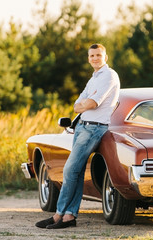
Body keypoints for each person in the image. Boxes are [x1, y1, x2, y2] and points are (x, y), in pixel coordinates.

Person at [35, 43, 120, 229]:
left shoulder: (109, 75)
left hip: (94, 128)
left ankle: (59, 215)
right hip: (81, 127)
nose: (95, 58)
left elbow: (92, 103)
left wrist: (85, 104)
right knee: (77, 172)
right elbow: (76, 105)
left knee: (69, 170)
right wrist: (83, 104)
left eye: (98, 55)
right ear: (88, 58)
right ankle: (69, 217)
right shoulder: (93, 78)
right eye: (92, 56)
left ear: (105, 57)